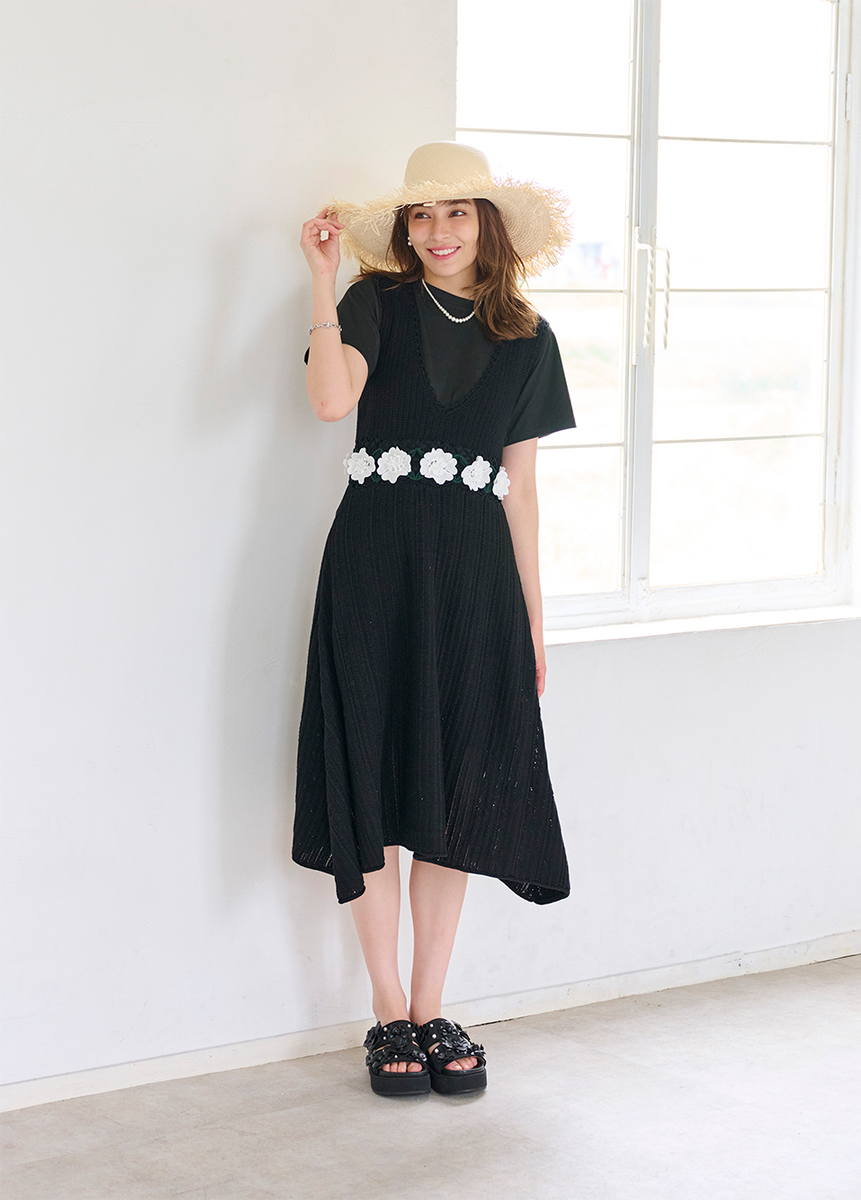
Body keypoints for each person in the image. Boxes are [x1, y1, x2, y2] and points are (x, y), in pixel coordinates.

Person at [293, 142, 575, 1097]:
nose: (439, 231)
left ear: (488, 226)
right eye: (422, 215)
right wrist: (323, 278)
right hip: (374, 568)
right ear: (405, 229)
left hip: (473, 581)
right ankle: (386, 1012)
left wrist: (533, 621)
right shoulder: (375, 301)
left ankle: (431, 1004)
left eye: (457, 213)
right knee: (373, 778)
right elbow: (330, 400)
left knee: (451, 791)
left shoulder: (528, 337)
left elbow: (521, 491)